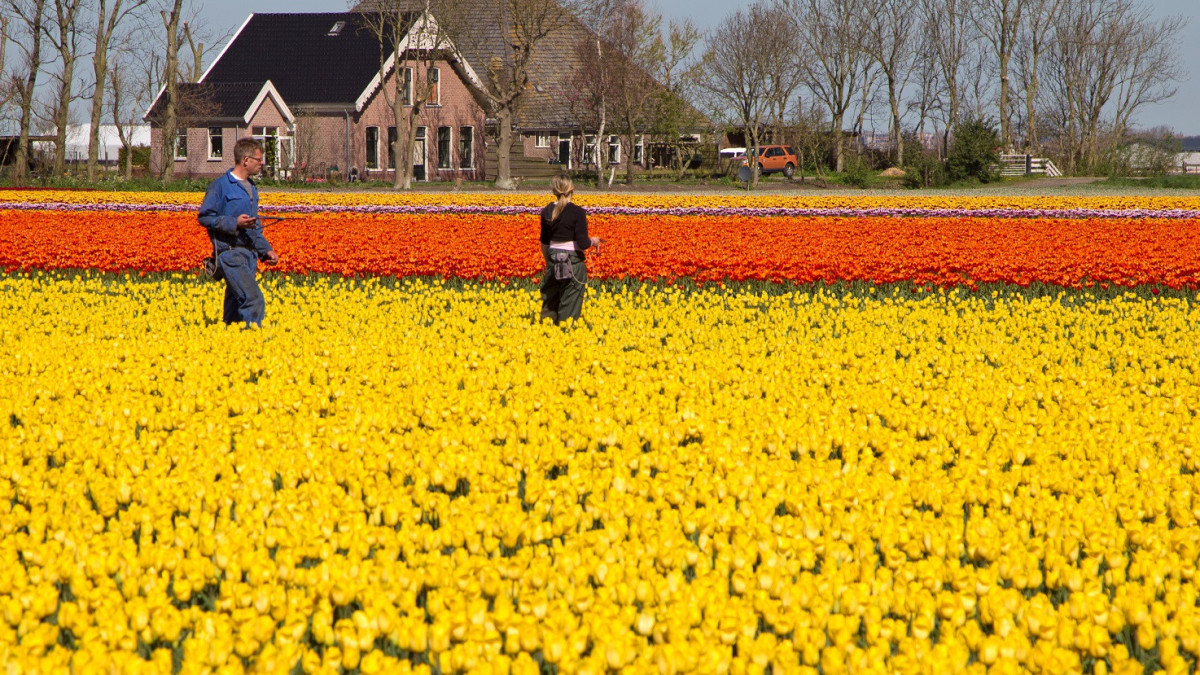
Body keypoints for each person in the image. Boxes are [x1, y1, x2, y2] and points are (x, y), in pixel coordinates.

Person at [198, 137, 279, 326]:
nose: (262, 164)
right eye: (258, 160)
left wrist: (265, 250)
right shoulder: (220, 186)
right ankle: (251, 341)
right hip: (230, 254)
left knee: (234, 306)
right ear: (245, 160)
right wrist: (234, 223)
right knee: (253, 299)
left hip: (249, 255)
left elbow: (254, 226)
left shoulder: (251, 188)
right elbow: (205, 217)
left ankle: (231, 344)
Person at [539, 174, 599, 324]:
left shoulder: (546, 211)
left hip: (553, 260)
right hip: (573, 263)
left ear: (554, 191)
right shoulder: (577, 212)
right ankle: (566, 336)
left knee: (550, 301)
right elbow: (583, 243)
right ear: (572, 189)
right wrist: (594, 241)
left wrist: (550, 263)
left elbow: (545, 243)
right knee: (570, 304)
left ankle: (545, 336)